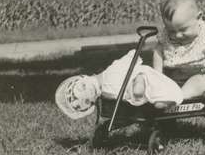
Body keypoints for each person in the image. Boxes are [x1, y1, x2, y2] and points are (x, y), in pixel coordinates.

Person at [55, 49, 184, 120]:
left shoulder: (108, 90)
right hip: (135, 86)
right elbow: (133, 56)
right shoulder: (111, 73)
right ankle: (141, 87)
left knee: (145, 85)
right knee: (148, 91)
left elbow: (132, 59)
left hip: (141, 83)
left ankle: (141, 85)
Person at [153, 0, 205, 103]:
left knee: (199, 83)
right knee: (146, 77)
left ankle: (176, 98)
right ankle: (157, 98)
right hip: (171, 76)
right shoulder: (165, 34)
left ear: (198, 18)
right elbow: (158, 51)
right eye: (172, 31)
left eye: (183, 29)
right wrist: (157, 75)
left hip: (198, 74)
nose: (177, 35)